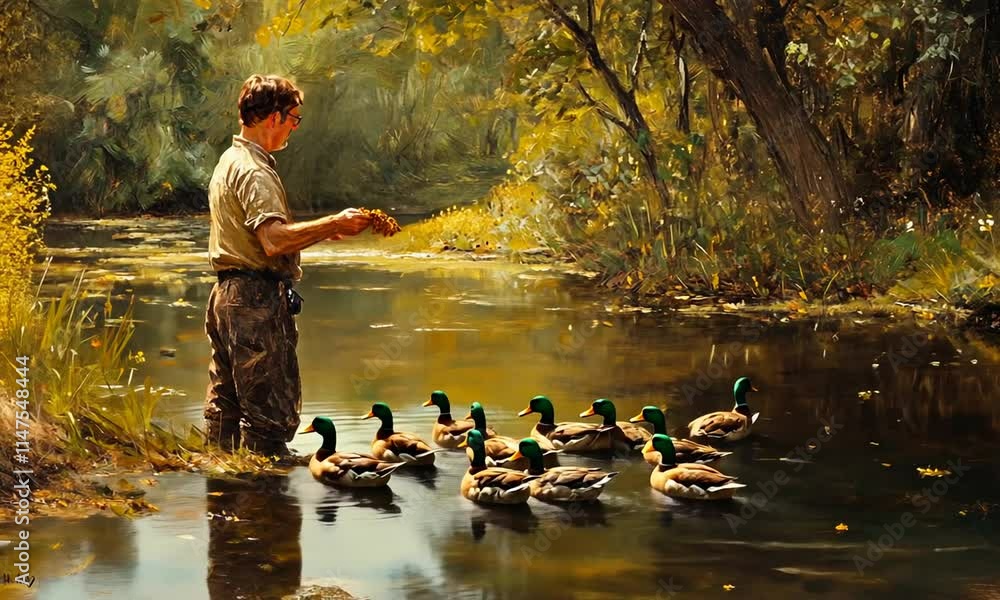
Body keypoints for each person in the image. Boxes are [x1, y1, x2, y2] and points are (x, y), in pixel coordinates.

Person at [204, 74, 370, 456]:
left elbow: (259, 238)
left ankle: (224, 484)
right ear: (274, 116)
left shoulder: (230, 160)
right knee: (269, 412)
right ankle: (268, 500)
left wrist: (319, 233)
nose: (294, 127)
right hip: (254, 299)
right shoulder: (255, 172)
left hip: (225, 296)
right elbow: (274, 240)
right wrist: (334, 223)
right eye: (293, 117)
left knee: (225, 403)